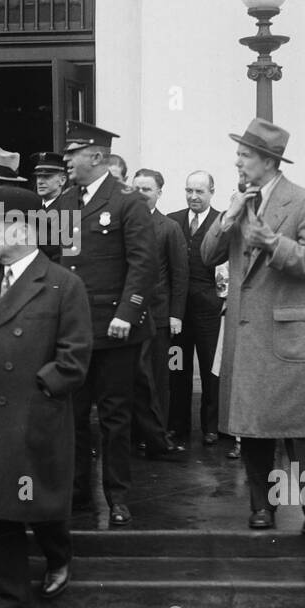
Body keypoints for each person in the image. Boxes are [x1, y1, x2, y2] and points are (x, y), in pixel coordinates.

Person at [0, 187, 93, 608]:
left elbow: (75, 358)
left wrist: (40, 390)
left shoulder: (63, 284)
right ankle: (15, 602)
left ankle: (58, 557)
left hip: (32, 417)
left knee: (39, 503)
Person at [202, 118, 305, 535]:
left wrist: (273, 243)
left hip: (289, 335)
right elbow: (206, 256)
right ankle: (262, 507)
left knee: (302, 430)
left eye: (244, 155)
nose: (237, 162)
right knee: (253, 428)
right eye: (238, 154)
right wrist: (228, 217)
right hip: (248, 333)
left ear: (268, 160)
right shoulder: (240, 201)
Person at [56, 120, 156, 527]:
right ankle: (78, 494)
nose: (65, 161)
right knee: (73, 415)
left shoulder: (128, 202)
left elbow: (143, 264)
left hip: (116, 328)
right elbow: (56, 263)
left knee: (115, 418)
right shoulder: (64, 204)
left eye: (71, 154)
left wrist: (126, 315)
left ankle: (117, 496)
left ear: (95, 157)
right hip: (75, 328)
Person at [130, 168, 188, 461]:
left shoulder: (169, 228)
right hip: (128, 316)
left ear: (159, 193)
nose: (141, 194)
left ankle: (157, 436)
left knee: (157, 379)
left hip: (159, 316)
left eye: (147, 189)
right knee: (130, 378)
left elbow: (180, 275)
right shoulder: (124, 224)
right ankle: (135, 435)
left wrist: (175, 314)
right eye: (136, 188)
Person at [168, 171, 225, 445]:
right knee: (176, 366)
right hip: (177, 313)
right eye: (189, 190)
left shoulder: (221, 222)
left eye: (199, 191)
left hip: (209, 311)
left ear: (212, 192)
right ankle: (177, 425)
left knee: (210, 368)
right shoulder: (173, 221)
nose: (193, 196)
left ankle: (211, 427)